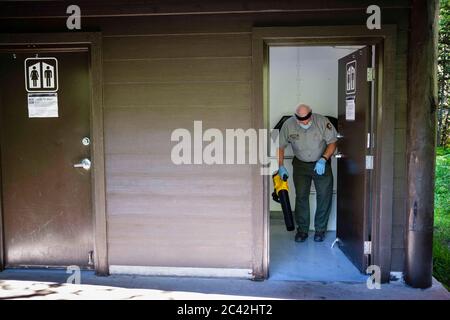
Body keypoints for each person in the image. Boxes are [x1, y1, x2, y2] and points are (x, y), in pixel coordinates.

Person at [277, 104, 337, 242]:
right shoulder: (288, 125)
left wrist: (324, 159)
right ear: (295, 117)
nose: (304, 122)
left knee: (324, 196)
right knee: (301, 196)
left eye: (307, 118)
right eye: (300, 119)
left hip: (320, 162)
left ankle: (320, 230)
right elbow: (280, 146)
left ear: (311, 113)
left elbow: (333, 142)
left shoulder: (322, 121)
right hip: (300, 164)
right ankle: (302, 230)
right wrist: (280, 165)